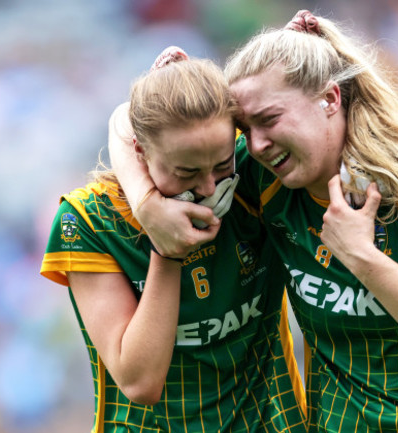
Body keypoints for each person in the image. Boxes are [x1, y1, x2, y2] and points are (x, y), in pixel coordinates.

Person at [109, 11, 398, 432]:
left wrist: (361, 256)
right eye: (247, 128)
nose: (258, 144)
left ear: (331, 99)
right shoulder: (267, 177)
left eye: (269, 119)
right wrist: (146, 204)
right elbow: (125, 120)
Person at [40, 47, 307, 433]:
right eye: (185, 172)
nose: (208, 188)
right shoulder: (87, 223)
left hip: (271, 422)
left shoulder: (253, 176)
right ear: (141, 151)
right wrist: (165, 246)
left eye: (220, 166)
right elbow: (140, 382)